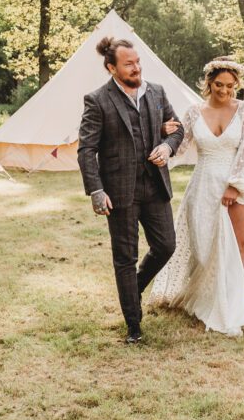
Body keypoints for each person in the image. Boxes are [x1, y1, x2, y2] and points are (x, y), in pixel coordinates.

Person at [77, 36, 184, 344]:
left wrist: (166, 146)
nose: (137, 68)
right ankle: (134, 326)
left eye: (138, 62)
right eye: (129, 64)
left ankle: (133, 288)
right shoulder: (97, 100)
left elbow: (178, 128)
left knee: (166, 245)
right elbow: (86, 149)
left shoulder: (157, 92)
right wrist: (96, 190)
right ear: (112, 68)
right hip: (119, 192)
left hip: (155, 186)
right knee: (124, 257)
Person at [149, 57, 244, 337]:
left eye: (230, 86)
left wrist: (235, 186)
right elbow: (181, 145)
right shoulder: (194, 112)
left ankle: (233, 306)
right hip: (202, 185)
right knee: (204, 247)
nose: (224, 91)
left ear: (237, 85)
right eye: (219, 85)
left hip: (235, 184)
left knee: (239, 244)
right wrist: (163, 146)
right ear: (209, 83)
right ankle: (208, 298)